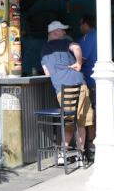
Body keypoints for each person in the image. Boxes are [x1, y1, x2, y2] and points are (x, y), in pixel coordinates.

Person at [41, 21, 94, 163]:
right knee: (81, 123)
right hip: (80, 84)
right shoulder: (66, 43)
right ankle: (81, 154)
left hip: (63, 89)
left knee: (69, 123)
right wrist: (79, 62)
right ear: (55, 32)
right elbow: (76, 47)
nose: (65, 33)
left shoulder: (44, 50)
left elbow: (46, 73)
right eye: (62, 30)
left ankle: (63, 153)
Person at [79, 14, 97, 153]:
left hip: (90, 80)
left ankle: (91, 144)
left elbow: (82, 59)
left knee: (89, 114)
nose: (80, 27)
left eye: (81, 24)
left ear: (85, 24)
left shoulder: (88, 37)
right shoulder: (101, 35)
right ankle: (92, 143)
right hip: (98, 80)